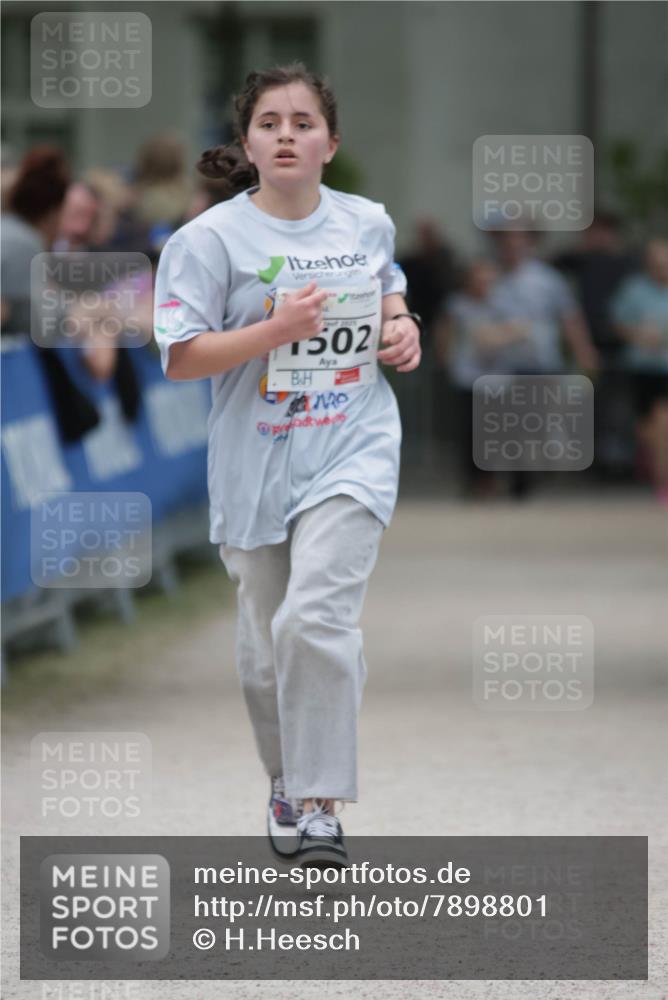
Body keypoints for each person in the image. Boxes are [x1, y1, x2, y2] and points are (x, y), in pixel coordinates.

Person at [152, 63, 421, 868]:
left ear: (330, 143)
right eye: (270, 123)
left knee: (314, 618)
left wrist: (402, 325)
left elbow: (388, 288)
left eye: (304, 123)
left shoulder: (366, 221)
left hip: (352, 442)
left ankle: (319, 803)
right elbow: (180, 358)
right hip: (255, 460)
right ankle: (285, 777)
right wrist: (275, 329)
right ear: (248, 143)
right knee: (270, 646)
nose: (287, 135)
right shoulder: (207, 242)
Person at [434, 258, 530, 497]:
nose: (485, 285)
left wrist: (496, 336)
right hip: (468, 377)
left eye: (489, 280)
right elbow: (445, 333)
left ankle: (517, 485)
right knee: (471, 432)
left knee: (508, 432)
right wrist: (445, 360)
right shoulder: (457, 304)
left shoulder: (504, 303)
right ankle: (477, 483)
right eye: (480, 280)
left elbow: (521, 328)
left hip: (500, 377)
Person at [611, 238, 668, 503]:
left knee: (662, 421)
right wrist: (639, 334)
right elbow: (618, 323)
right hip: (643, 366)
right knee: (647, 427)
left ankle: (662, 480)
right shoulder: (634, 290)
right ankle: (652, 457)